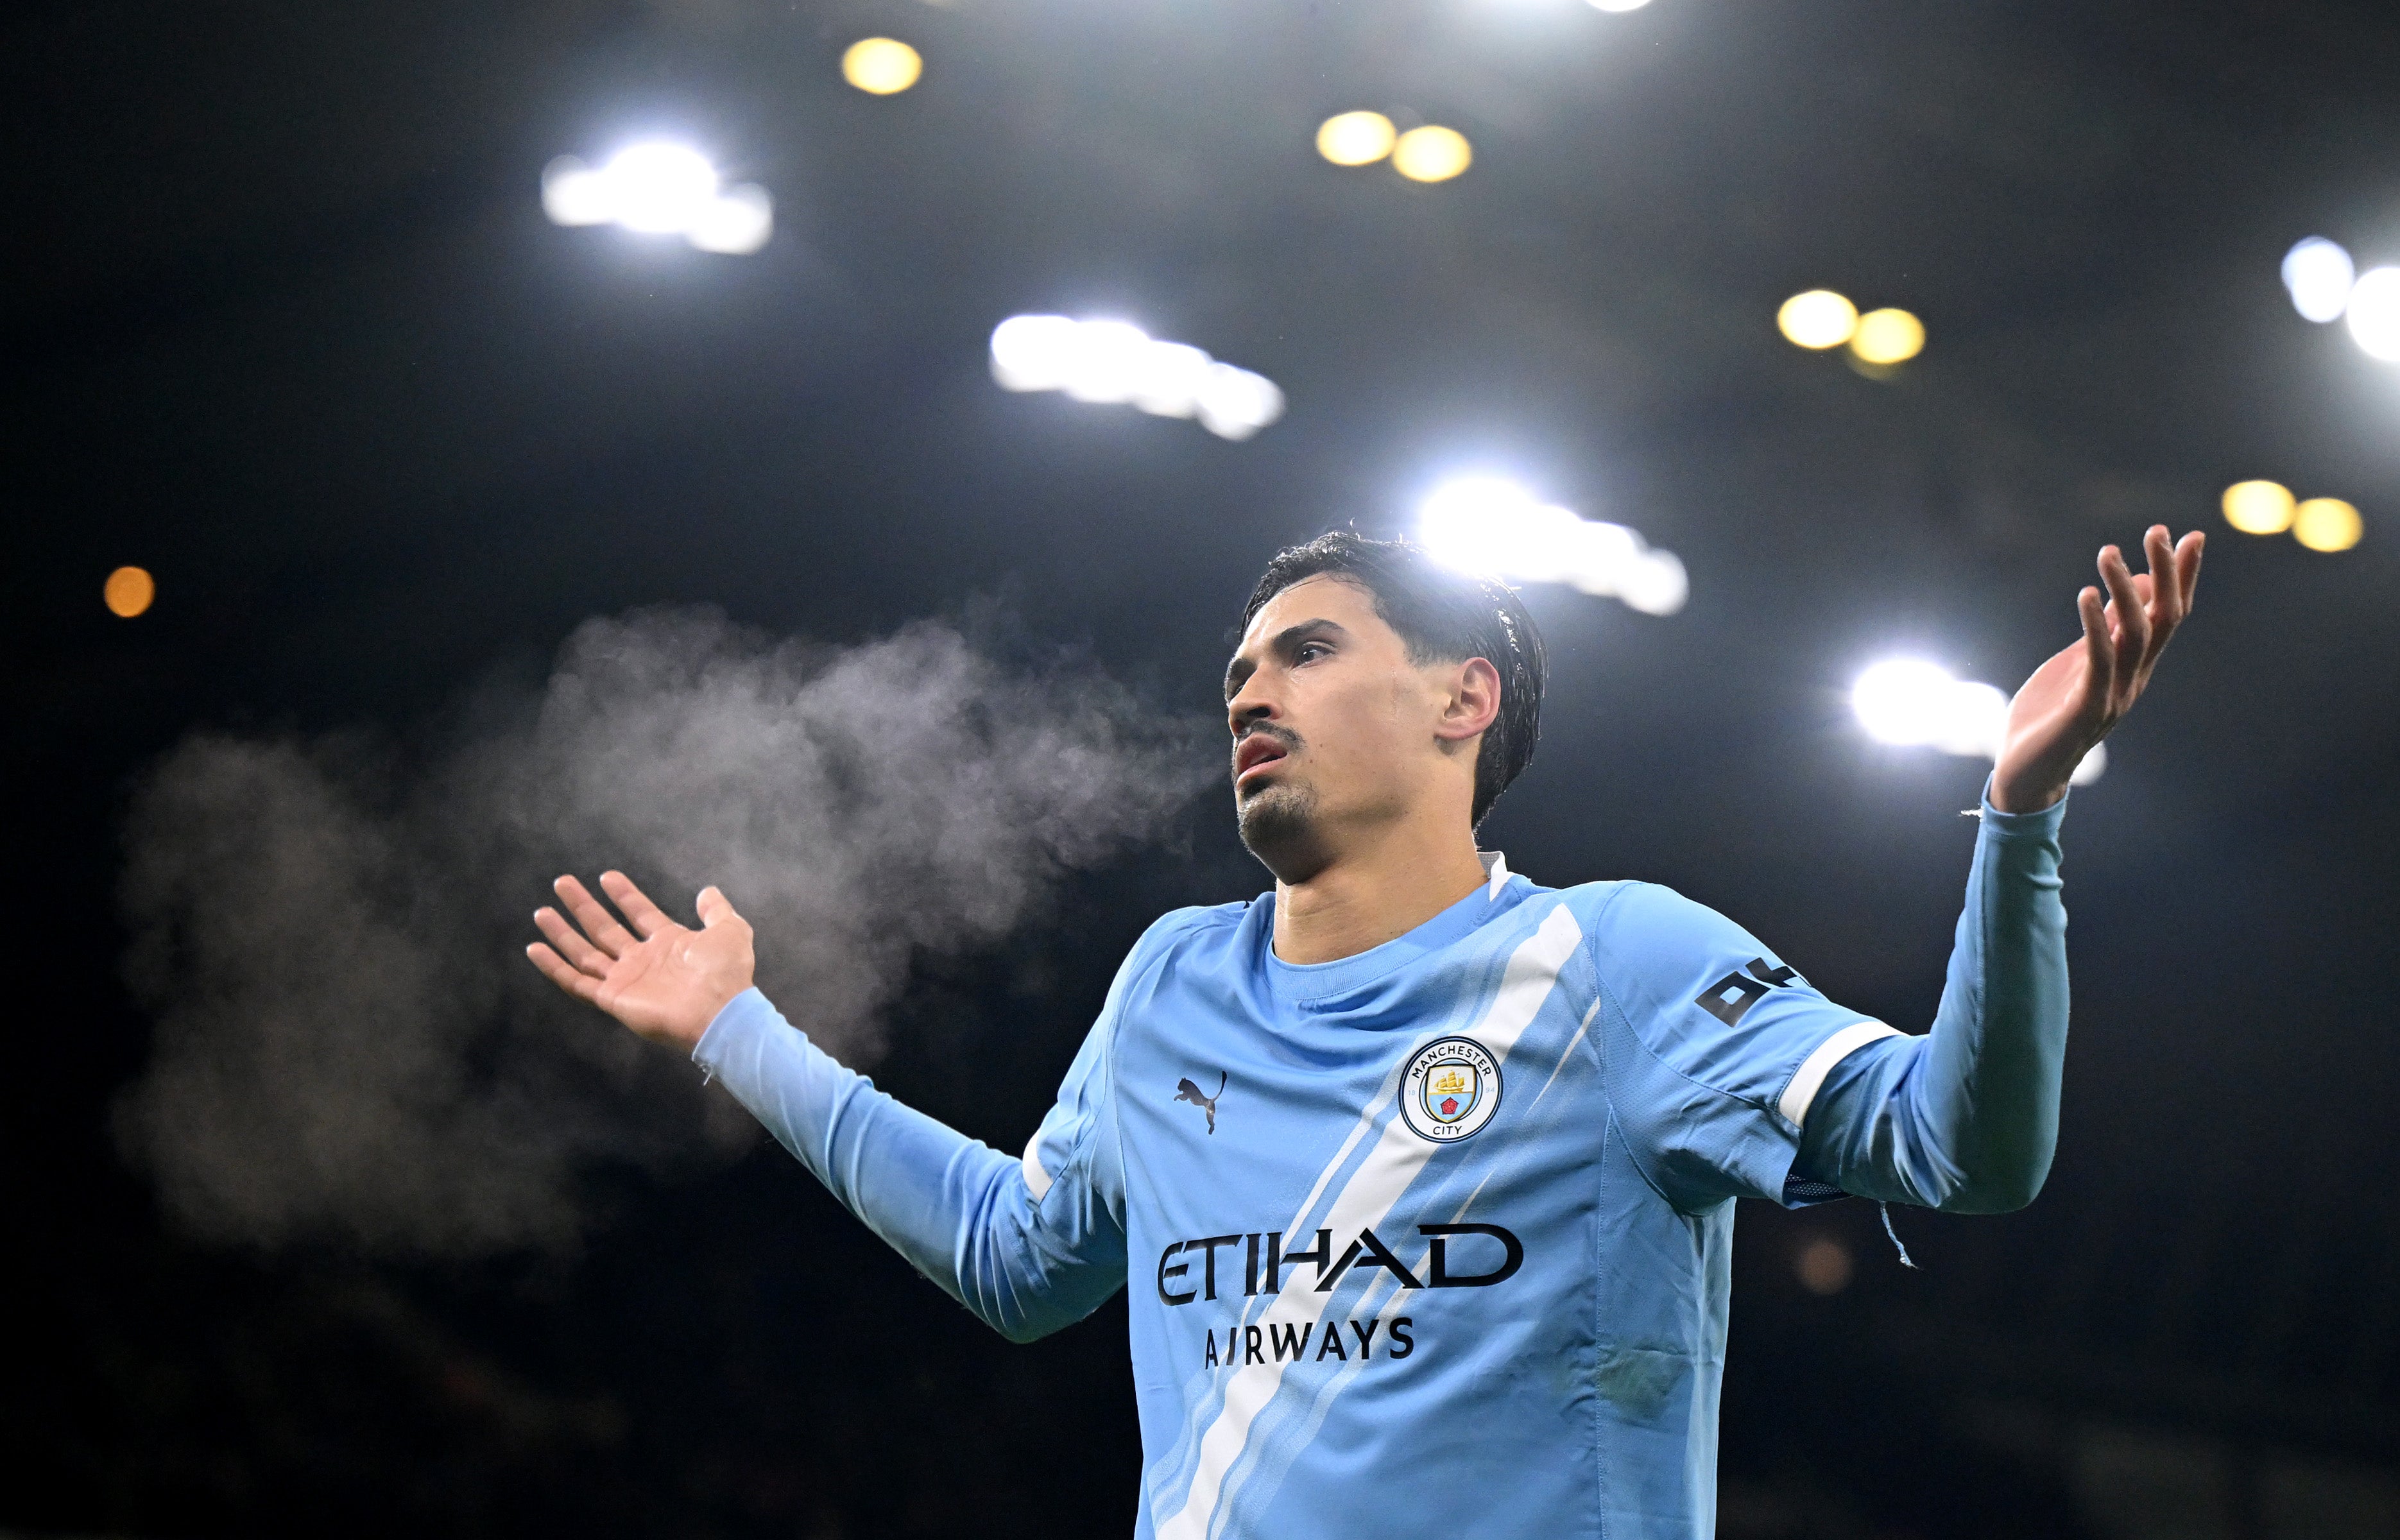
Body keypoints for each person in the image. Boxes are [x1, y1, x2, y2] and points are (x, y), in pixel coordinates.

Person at [527, 526, 2204, 1539]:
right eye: (1238, 671)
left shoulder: (1614, 960)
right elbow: (1017, 1255)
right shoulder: (1172, 981)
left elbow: (1959, 1155)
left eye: (1308, 653)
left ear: (1461, 699)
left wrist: (2017, 819)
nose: (1248, 694)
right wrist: (735, 1029)